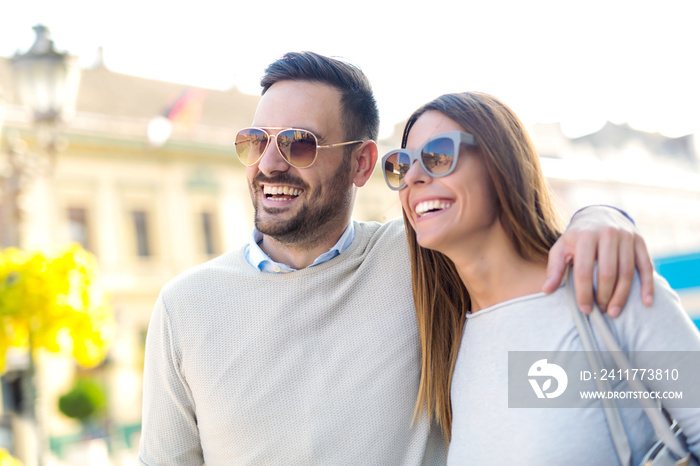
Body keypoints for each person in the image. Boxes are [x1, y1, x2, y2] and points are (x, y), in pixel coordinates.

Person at [138, 52, 655, 466]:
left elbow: (510, 224)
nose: (270, 164)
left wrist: (602, 217)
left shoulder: (419, 257)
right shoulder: (184, 308)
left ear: (362, 163)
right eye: (256, 141)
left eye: (299, 144)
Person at [382, 91, 700, 464]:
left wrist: (602, 214)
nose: (414, 176)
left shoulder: (606, 289)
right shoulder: (447, 336)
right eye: (402, 165)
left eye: (439, 154)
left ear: (501, 161)